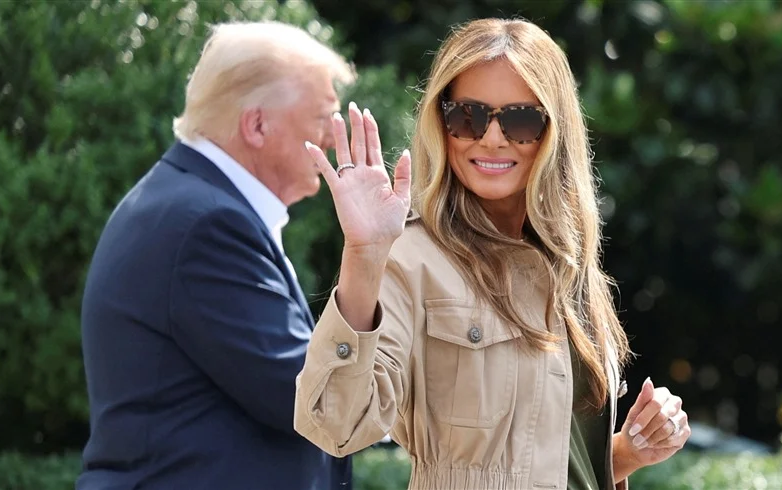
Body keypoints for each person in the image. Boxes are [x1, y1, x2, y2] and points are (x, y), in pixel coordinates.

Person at [294, 18, 690, 490]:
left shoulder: (569, 264)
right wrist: (363, 255)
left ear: (554, 131)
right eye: (469, 116)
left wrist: (628, 451)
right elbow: (334, 427)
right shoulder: (411, 256)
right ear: (441, 124)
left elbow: (552, 463)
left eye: (521, 120)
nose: (492, 138)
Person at [77, 21, 354, 490]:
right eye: (323, 118)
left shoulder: (192, 205)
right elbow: (311, 398)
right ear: (257, 125)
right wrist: (368, 254)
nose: (332, 136)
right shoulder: (207, 225)